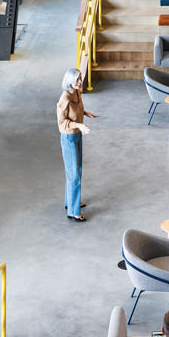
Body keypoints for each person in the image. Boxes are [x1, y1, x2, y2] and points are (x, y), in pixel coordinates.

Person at [56, 68, 98, 222]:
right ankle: (74, 211)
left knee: (76, 170)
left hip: (78, 135)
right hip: (69, 138)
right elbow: (62, 123)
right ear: (69, 81)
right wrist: (79, 125)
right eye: (77, 79)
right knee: (73, 174)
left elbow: (76, 110)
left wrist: (85, 113)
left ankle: (71, 201)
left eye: (80, 78)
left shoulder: (77, 92)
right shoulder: (64, 99)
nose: (80, 81)